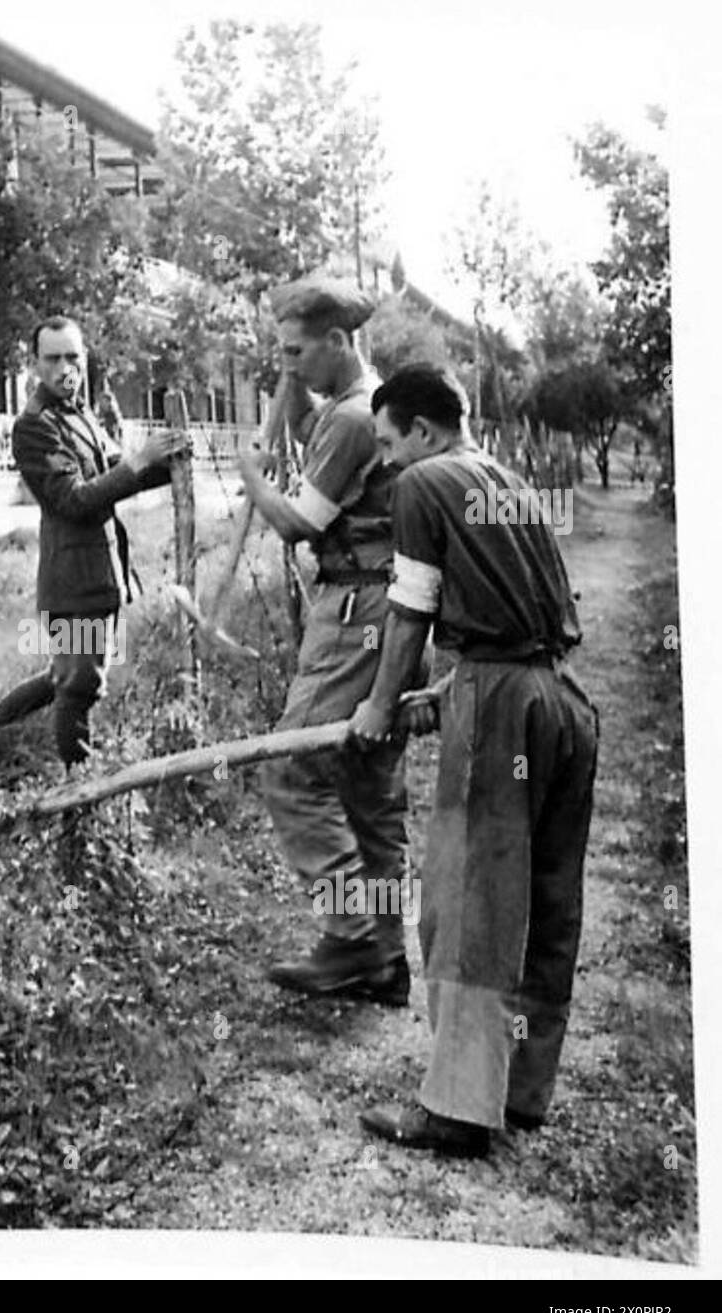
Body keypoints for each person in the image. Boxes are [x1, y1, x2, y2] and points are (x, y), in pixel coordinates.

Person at [350, 364, 598, 1158]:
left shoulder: (423, 484)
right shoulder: (506, 480)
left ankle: (459, 1107)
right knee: (548, 899)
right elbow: (523, 616)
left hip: (501, 709)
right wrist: (455, 688)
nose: (386, 461)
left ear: (423, 431)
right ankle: (522, 1090)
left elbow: (410, 607)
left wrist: (380, 706)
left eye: (389, 443)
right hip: (560, 698)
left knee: (469, 903)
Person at [234, 278, 416, 1007]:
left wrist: (252, 478)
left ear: (339, 341)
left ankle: (350, 937)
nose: (290, 364)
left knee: (292, 769)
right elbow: (308, 416)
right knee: (369, 788)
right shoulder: (357, 405)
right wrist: (286, 375)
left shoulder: (350, 418)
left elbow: (300, 522)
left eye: (298, 350)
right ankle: (387, 960)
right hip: (387, 602)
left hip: (354, 612)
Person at [0, 315, 187, 771]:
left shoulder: (80, 414)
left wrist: (171, 459)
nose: (65, 368)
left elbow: (119, 475)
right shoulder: (35, 426)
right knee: (81, 684)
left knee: (66, 673)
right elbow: (75, 500)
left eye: (73, 357)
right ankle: (83, 789)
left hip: (101, 573)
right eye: (53, 359)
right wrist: (141, 460)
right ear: (35, 364)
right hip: (74, 582)